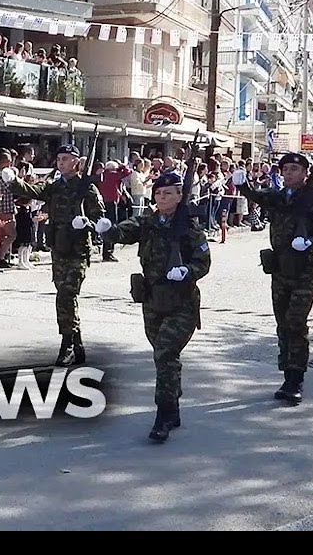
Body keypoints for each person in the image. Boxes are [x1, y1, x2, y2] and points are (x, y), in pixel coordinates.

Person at [109, 171, 211, 443]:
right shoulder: (149, 221)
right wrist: (109, 229)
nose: (162, 197)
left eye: (168, 193)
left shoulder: (190, 226)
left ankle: (162, 416)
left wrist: (187, 271)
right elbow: (127, 230)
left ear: (180, 196)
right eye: (158, 193)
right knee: (164, 357)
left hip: (181, 303)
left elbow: (203, 263)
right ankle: (173, 407)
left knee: (165, 354)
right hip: (153, 300)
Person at [230, 152, 313, 404]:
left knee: (295, 323)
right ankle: (287, 371)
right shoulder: (278, 197)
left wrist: (309, 243)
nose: (288, 173)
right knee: (282, 323)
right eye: (285, 169)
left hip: (304, 270)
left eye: (294, 170)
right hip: (280, 269)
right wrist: (243, 185)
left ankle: (295, 379)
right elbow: (257, 196)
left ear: (306, 173)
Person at [0, 143, 108, 366]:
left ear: (76, 162)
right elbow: (34, 191)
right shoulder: (55, 186)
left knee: (66, 295)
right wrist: (13, 181)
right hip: (59, 248)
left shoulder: (87, 188)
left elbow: (102, 220)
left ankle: (67, 344)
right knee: (65, 296)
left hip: (78, 249)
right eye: (59, 159)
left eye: (66, 159)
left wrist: (87, 223)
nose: (61, 163)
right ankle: (77, 344)